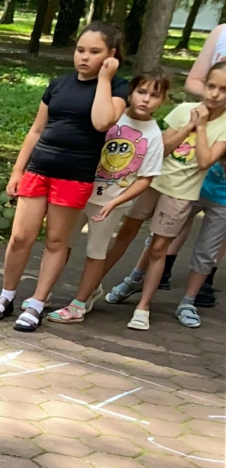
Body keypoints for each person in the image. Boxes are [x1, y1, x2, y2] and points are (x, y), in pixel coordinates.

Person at [0, 22, 130, 331]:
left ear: (111, 55)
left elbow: (102, 121)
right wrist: (18, 170)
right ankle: (6, 296)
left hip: (74, 176)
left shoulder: (118, 88)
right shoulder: (58, 84)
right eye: (80, 50)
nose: (84, 58)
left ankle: (37, 303)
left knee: (55, 241)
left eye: (94, 52)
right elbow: (36, 130)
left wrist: (105, 78)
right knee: (21, 237)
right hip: (39, 169)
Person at [110, 59, 226, 330]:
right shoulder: (186, 110)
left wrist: (201, 127)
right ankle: (127, 281)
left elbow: (206, 159)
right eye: (211, 86)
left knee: (201, 250)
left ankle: (185, 301)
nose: (214, 94)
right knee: (151, 239)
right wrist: (191, 126)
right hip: (168, 184)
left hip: (202, 193)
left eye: (223, 90)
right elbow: (161, 147)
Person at [46, 72, 168, 324]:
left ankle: (79, 303)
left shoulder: (154, 134)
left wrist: (116, 202)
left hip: (110, 203)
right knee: (61, 244)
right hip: (79, 191)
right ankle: (43, 293)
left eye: (154, 95)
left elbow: (147, 178)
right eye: (141, 92)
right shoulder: (112, 115)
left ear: (163, 100)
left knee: (96, 252)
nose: (146, 99)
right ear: (130, 92)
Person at [176, 158, 226, 326]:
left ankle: (188, 302)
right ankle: (135, 279)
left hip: (223, 201)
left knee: (207, 250)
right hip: (194, 186)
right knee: (163, 233)